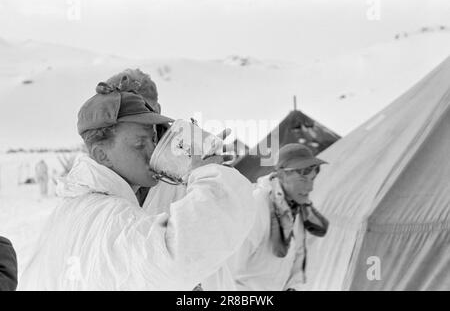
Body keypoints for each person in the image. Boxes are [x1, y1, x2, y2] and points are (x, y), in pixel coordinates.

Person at [19, 82, 256, 290]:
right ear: (102, 155)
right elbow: (176, 257)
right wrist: (208, 174)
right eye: (139, 143)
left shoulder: (78, 207)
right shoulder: (107, 216)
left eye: (153, 139)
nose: (152, 151)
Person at [229, 143, 329, 291]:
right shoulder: (257, 206)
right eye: (303, 180)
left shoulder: (296, 210)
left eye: (312, 179)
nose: (310, 188)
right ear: (281, 175)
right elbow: (228, 270)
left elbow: (294, 261)